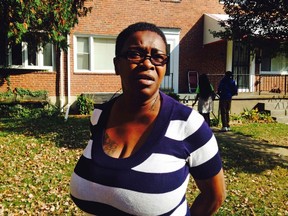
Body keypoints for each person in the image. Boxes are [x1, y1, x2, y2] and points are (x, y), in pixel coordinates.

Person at [70, 22, 226, 216]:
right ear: (117, 65)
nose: (147, 63)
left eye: (158, 57)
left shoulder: (189, 125)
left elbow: (215, 196)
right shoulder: (100, 116)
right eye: (135, 54)